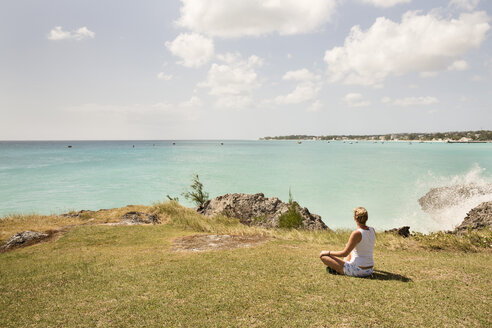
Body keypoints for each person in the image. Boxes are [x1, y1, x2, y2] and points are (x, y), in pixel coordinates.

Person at [319, 207, 375, 277]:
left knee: (323, 256)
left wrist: (327, 252)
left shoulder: (357, 233)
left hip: (359, 271)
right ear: (367, 218)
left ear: (355, 218)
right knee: (348, 246)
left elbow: (344, 253)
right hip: (369, 270)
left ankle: (338, 269)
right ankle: (340, 266)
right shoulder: (372, 230)